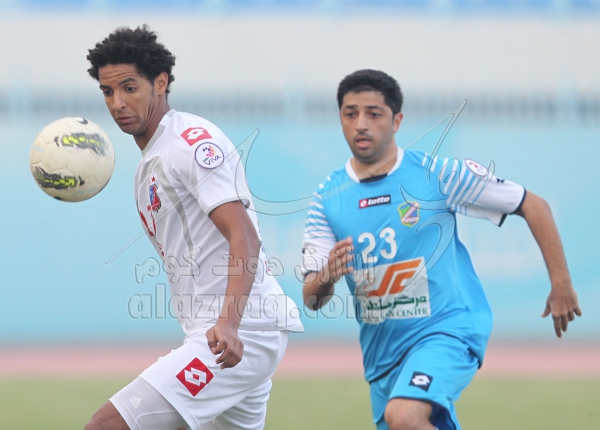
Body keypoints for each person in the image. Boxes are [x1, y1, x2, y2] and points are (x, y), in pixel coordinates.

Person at [301, 69, 581, 430]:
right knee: (407, 421)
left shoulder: (436, 174)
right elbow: (312, 298)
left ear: (397, 121)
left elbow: (533, 205)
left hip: (448, 329)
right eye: (350, 113)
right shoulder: (327, 197)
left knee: (404, 416)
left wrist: (561, 284)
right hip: (382, 355)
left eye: (374, 113)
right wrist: (326, 276)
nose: (361, 124)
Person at [84, 25, 303, 430]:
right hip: (227, 332)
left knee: (105, 426)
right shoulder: (151, 161)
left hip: (238, 331)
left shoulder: (190, 143)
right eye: (108, 92)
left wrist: (229, 323)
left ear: (160, 83)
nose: (118, 103)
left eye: (129, 88)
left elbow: (245, 236)